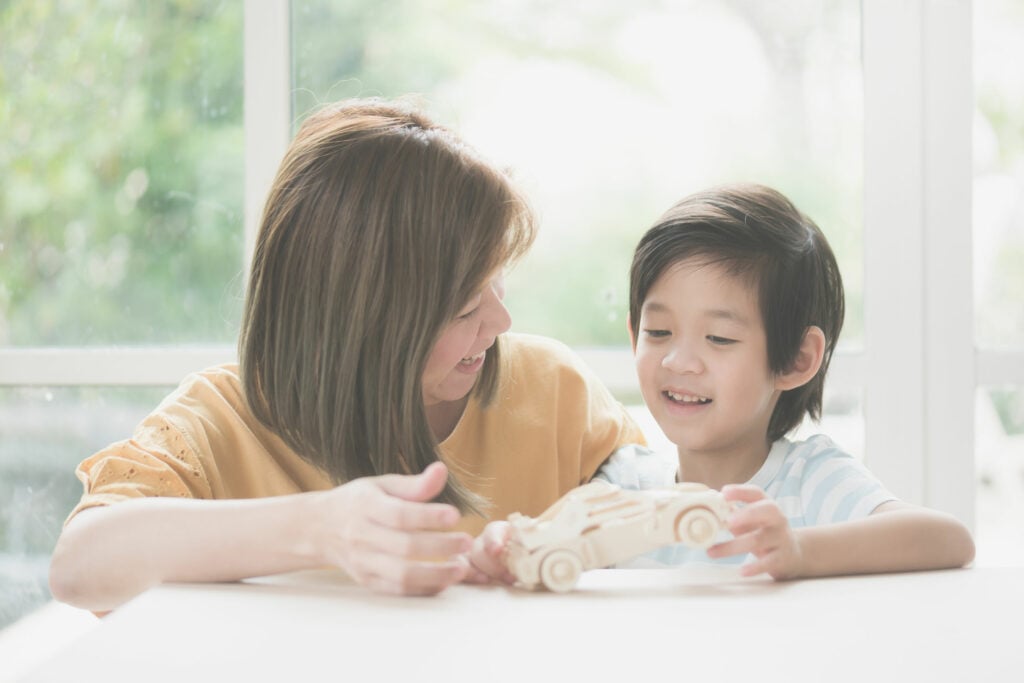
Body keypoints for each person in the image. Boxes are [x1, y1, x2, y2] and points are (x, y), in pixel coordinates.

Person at [48, 98, 645, 611]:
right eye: (465, 309)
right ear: (364, 318)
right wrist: (321, 528)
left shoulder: (553, 389)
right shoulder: (220, 419)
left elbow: (661, 527)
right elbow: (80, 566)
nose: (501, 322)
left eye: (498, 284)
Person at [470, 183, 974, 582]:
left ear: (796, 359)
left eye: (719, 338)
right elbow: (560, 547)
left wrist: (799, 551)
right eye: (659, 332)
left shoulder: (809, 480)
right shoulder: (624, 479)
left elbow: (948, 539)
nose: (680, 361)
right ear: (632, 333)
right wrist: (509, 551)